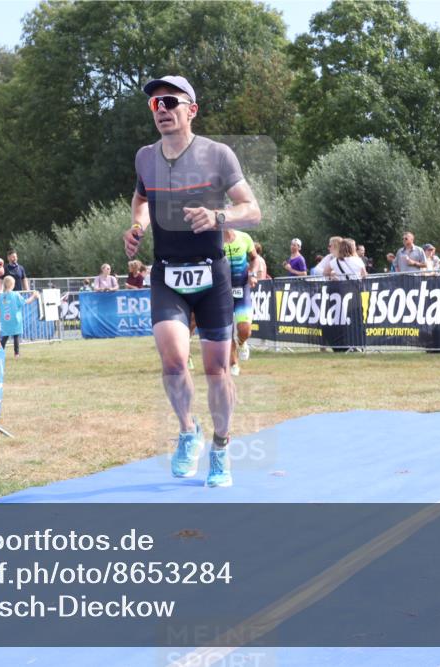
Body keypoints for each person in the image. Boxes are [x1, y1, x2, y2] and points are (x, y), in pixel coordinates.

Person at [123, 74, 261, 488]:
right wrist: (136, 225)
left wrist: (219, 217)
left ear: (191, 110)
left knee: (217, 370)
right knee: (172, 359)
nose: (161, 109)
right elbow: (142, 198)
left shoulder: (218, 155)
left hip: (212, 272)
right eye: (155, 105)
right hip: (166, 270)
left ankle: (220, 448)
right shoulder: (145, 158)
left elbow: (252, 210)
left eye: (170, 102)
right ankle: (188, 430)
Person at [223, 227, 258, 375]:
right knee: (227, 331)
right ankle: (234, 363)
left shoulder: (244, 237)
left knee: (245, 330)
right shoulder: (214, 241)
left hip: (242, 287)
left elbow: (254, 258)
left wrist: (253, 274)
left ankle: (242, 343)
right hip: (222, 291)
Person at [0, 275, 39, 358]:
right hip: (15, 320)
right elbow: (25, 302)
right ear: (12, 285)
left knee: (5, 337)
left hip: (5, 321)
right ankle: (16, 354)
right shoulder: (16, 295)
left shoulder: (1, 296)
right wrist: (34, 296)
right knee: (16, 336)